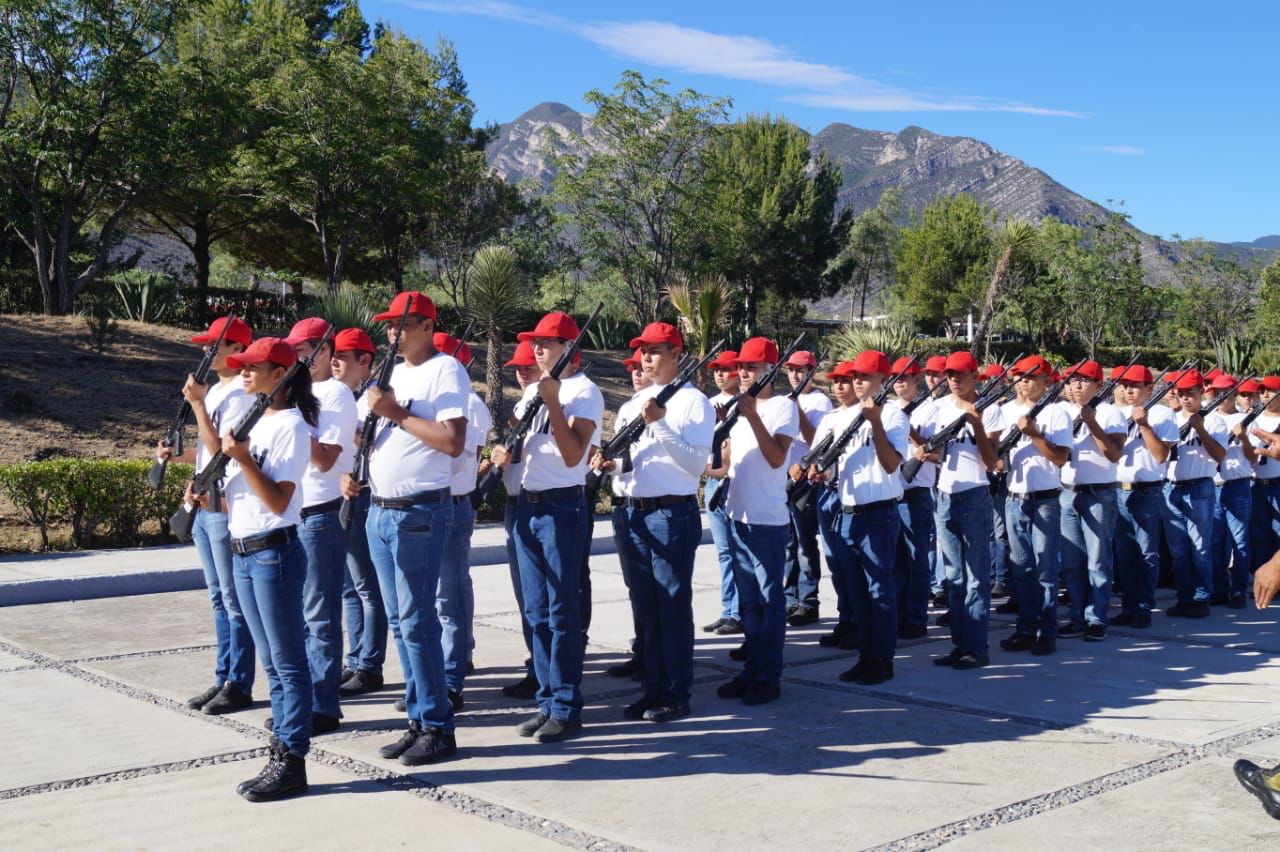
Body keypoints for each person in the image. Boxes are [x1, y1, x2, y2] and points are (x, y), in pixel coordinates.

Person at [339, 291, 468, 766]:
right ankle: (418, 719)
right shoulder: (387, 375)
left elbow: (453, 442)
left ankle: (437, 726)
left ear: (428, 325)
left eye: (405, 323)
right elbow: (364, 435)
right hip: (381, 509)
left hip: (420, 512)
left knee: (417, 622)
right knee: (399, 623)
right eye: (390, 324)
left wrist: (395, 413)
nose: (394, 331)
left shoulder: (445, 370)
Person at [490, 312, 603, 743]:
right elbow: (522, 450)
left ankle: (566, 706)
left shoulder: (583, 393)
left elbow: (574, 455)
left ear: (570, 350)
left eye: (548, 343)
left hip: (561, 508)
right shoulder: (529, 394)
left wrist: (553, 401)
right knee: (535, 612)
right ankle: (546, 700)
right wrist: (504, 455)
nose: (538, 350)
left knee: (561, 613)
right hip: (526, 507)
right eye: (535, 342)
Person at [214, 337, 317, 802]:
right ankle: (280, 752)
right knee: (273, 665)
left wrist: (242, 458)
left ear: (281, 374)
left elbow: (278, 501)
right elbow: (238, 497)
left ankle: (291, 760)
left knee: (289, 663)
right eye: (243, 367)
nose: (245, 374)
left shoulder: (291, 427)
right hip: (243, 551)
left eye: (254, 367)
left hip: (273, 553)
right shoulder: (251, 420)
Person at [596, 323, 713, 721]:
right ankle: (652, 687)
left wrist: (659, 422)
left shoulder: (694, 402)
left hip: (670, 512)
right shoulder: (634, 403)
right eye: (643, 350)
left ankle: (676, 693)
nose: (646, 357)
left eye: (656, 350)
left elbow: (696, 464)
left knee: (671, 606)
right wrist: (610, 465)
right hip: (631, 510)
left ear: (676, 354)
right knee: (646, 608)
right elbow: (631, 460)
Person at [161, 316, 257, 716]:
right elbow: (206, 450)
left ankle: (239, 682)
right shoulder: (217, 390)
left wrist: (198, 403)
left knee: (233, 601)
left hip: (224, 508)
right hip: (205, 502)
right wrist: (182, 461)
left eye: (214, 345)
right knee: (219, 598)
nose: (206, 351)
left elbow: (224, 451)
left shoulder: (242, 394)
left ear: (236, 350)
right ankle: (223, 676)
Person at [806, 351, 909, 684]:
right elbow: (832, 464)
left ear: (882, 379)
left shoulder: (892, 415)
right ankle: (866, 655)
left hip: (878, 511)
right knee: (857, 591)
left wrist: (875, 421)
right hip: (847, 511)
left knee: (880, 590)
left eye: (865, 376)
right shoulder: (840, 417)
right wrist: (817, 472)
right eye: (855, 377)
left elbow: (892, 464)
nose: (857, 382)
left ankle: (883, 660)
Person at [708, 337, 798, 705]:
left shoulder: (781, 408)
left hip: (765, 521)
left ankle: (767, 676)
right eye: (740, 367)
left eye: (751, 367)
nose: (742, 372)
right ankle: (751, 671)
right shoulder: (739, 410)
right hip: (736, 516)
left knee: (768, 602)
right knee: (748, 605)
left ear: (769, 371)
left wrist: (752, 416)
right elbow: (728, 466)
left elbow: (777, 458)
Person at [282, 318, 357, 735]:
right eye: (294, 349)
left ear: (326, 350)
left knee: (320, 616)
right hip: (294, 515)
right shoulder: (299, 394)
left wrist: (295, 420)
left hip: (321, 514)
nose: (298, 356)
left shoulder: (336, 394)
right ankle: (303, 701)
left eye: (305, 348)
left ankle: (323, 706)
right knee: (299, 616)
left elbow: (324, 459)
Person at [920, 351, 1004, 670]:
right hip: (944, 493)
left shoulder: (990, 410)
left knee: (976, 576)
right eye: (950, 375)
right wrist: (923, 449)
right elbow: (920, 435)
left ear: (974, 376)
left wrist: (977, 425)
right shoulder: (938, 407)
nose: (954, 380)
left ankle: (977, 646)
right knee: (954, 577)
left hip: (974, 494)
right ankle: (959, 644)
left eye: (960, 375)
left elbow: (991, 460)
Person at [996, 356, 1070, 656]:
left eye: (1031, 377)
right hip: (1014, 497)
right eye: (1020, 376)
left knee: (1045, 570)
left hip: (1045, 499)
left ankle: (1046, 631)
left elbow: (1061, 457)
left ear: (1046, 381)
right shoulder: (1003, 412)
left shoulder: (1057, 413)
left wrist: (1034, 434)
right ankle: (1025, 628)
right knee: (1021, 570)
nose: (1025, 381)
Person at [435, 332, 492, 709]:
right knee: (444, 591)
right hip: (434, 501)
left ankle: (452, 674)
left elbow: (460, 453)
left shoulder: (469, 405)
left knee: (448, 593)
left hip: (453, 501)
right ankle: (456, 655)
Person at [330, 328, 387, 697]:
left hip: (364, 495)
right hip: (342, 495)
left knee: (368, 588)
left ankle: (370, 665)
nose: (335, 361)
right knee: (350, 588)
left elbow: (376, 444)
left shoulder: (372, 397)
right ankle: (354, 660)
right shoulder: (342, 395)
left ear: (364, 361)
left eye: (344, 355)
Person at [484, 341, 541, 700]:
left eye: (527, 367)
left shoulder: (544, 399)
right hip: (517, 502)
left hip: (538, 503)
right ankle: (536, 663)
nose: (521, 373)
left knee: (541, 599)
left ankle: (543, 668)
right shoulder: (524, 402)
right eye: (517, 368)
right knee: (526, 597)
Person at [1058, 360, 1125, 641]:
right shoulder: (1059, 411)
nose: (1076, 385)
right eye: (1072, 380)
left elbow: (1114, 453)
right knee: (1072, 562)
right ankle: (1076, 616)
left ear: (1098, 385)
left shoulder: (1111, 413)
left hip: (1099, 493)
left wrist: (1091, 422)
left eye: (1084, 380)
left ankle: (1096, 618)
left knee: (1097, 561)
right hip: (1067, 491)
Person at [1113, 364, 1178, 628]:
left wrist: (1144, 426)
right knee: (1125, 553)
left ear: (1149, 389)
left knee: (1147, 552)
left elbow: (1161, 455)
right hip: (1118, 487)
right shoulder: (1115, 413)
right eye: (1126, 385)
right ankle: (1128, 606)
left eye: (1136, 385)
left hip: (1146, 489)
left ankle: (1143, 607)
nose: (1129, 390)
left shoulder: (1162, 413)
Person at [603, 348, 652, 681]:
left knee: (657, 591)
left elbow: (645, 457)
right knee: (636, 587)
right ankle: (643, 650)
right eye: (631, 367)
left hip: (648, 503)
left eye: (640, 366)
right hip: (624, 504)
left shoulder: (658, 406)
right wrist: (608, 464)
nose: (635, 371)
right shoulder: (625, 408)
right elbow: (626, 458)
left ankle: (655, 656)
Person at [1163, 369, 1228, 618]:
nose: (1185, 398)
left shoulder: (1213, 420)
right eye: (1180, 394)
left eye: (1190, 393)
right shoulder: (1171, 418)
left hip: (1199, 486)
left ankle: (1201, 598)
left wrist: (1200, 429)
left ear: (1201, 392)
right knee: (1178, 550)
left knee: (1200, 547)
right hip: (1172, 486)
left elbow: (1220, 455)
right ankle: (1184, 597)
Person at [781, 350, 833, 627]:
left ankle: (808, 601)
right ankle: (789, 599)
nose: (795, 375)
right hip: (783, 480)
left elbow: (817, 441)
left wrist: (797, 411)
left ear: (812, 372)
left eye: (801, 370)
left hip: (805, 481)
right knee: (787, 543)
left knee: (804, 542)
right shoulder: (783, 400)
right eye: (791, 370)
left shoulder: (819, 402)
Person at [891, 356, 936, 640]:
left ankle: (917, 616)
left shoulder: (930, 410)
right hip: (892, 491)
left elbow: (933, 448)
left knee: (917, 557)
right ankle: (899, 613)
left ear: (916, 379)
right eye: (896, 377)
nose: (900, 381)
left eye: (905, 377)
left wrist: (909, 430)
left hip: (916, 491)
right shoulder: (888, 409)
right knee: (896, 560)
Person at [702, 350, 744, 636]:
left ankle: (739, 611)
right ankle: (728, 609)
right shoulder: (707, 404)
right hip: (713, 483)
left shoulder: (745, 405)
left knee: (737, 552)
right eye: (716, 369)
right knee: (724, 553)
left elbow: (729, 456)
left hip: (732, 483)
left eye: (726, 369)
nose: (719, 374)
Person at [1210, 373, 1252, 609]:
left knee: (1240, 541)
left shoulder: (1245, 418)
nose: (1219, 397)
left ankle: (1238, 589)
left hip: (1237, 484)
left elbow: (1254, 457)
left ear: (1234, 394)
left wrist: (1243, 437)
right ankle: (1219, 588)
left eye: (1224, 393)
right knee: (1216, 541)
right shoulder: (1206, 419)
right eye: (1216, 393)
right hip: (1213, 484)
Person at [1249, 377, 1280, 571]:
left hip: (1278, 484)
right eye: (1262, 391)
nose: (1265, 395)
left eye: (1271, 390)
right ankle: (1261, 578)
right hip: (1255, 483)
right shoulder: (1252, 418)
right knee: (1258, 535)